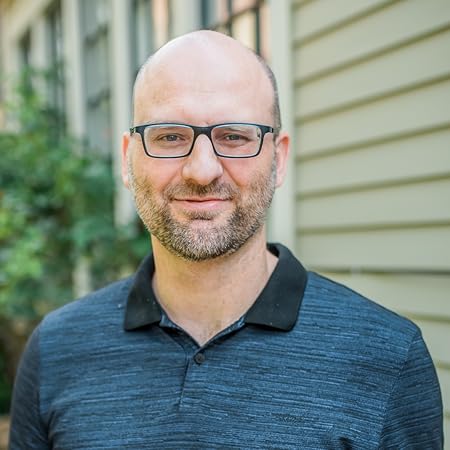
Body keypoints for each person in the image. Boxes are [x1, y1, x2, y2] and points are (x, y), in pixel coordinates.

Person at [9, 30, 443, 449]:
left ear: (279, 159)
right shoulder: (57, 350)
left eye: (234, 137)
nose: (202, 170)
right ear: (127, 159)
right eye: (170, 137)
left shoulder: (387, 356)